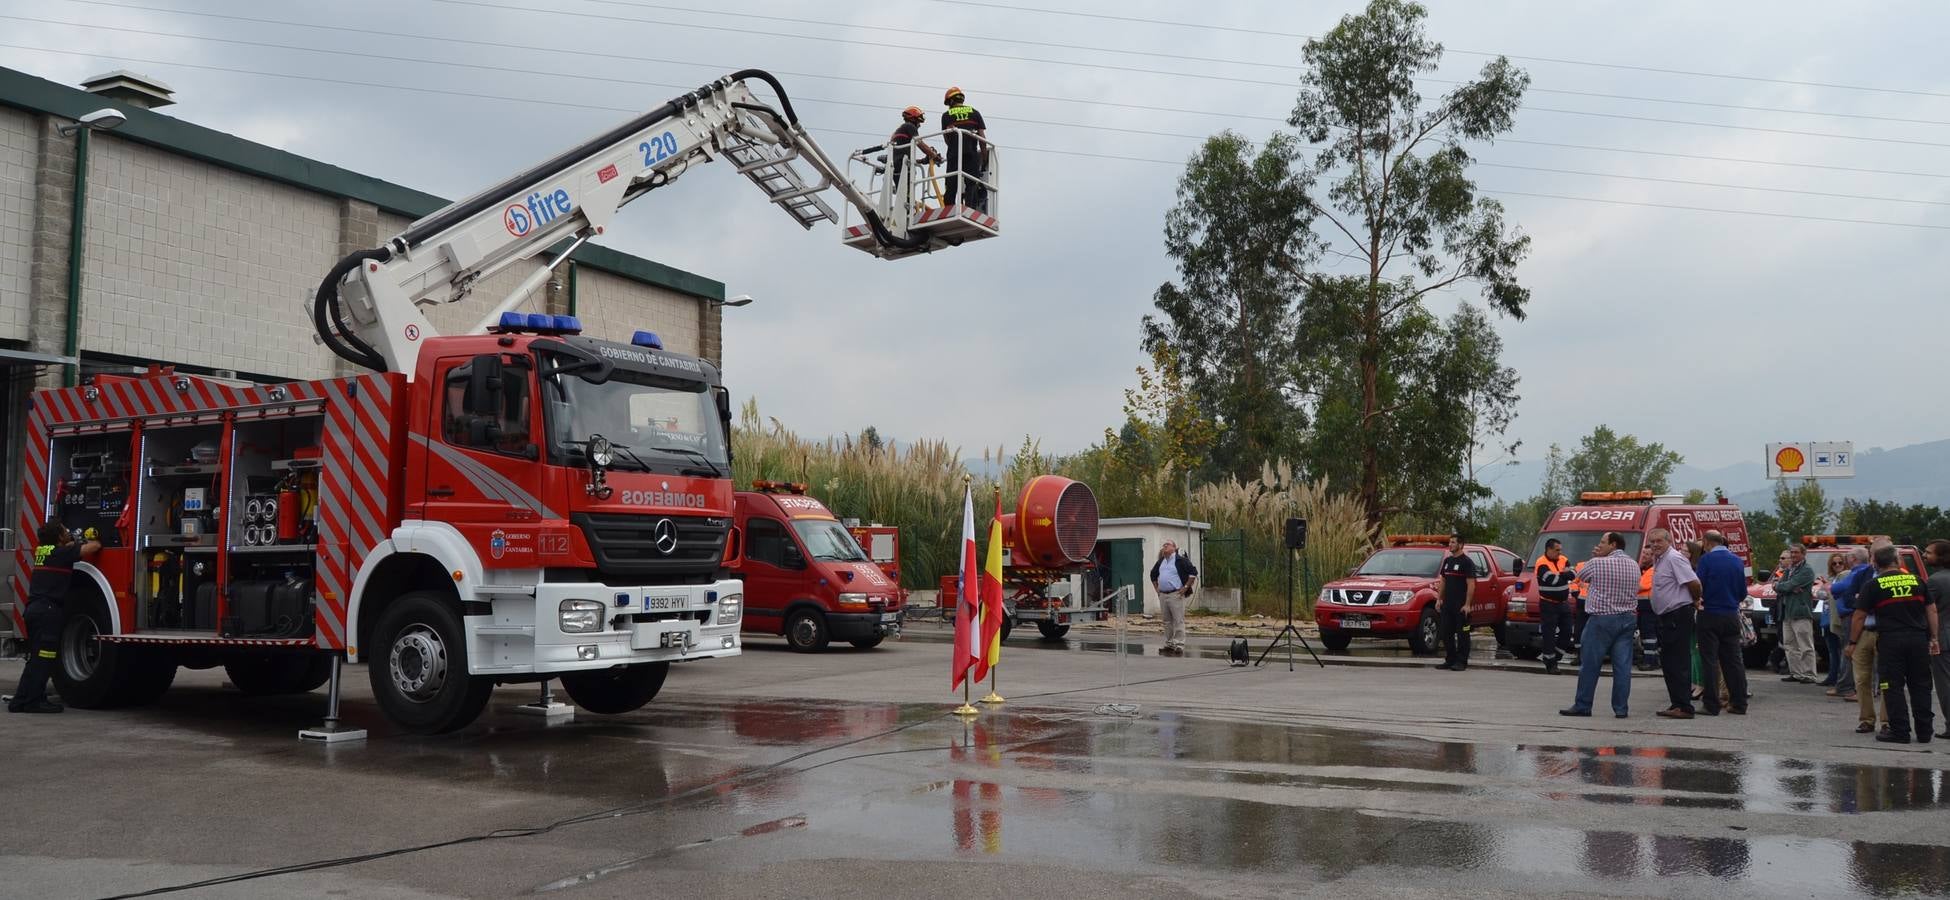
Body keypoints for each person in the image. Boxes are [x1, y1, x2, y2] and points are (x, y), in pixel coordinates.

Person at [1847, 543, 1940, 744]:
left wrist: (1852, 642)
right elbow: (1931, 610)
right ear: (1898, 561)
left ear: (1875, 564)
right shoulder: (1916, 580)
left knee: (1892, 686)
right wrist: (1934, 638)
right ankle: (1924, 731)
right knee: (1921, 685)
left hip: (1891, 640)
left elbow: (1859, 616)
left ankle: (1900, 731)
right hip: (1917, 639)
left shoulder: (1873, 585)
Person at [9, 521, 101, 714]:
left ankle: (20, 700)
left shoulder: (43, 551)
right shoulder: (62, 554)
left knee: (35, 657)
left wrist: (72, 543)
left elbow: (66, 548)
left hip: (34, 610)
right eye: (65, 530)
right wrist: (92, 536)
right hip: (48, 612)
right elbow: (95, 547)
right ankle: (35, 701)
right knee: (45, 658)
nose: (68, 531)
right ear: (59, 537)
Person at [1561, 531, 1641, 719]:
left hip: (1602, 619)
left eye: (1603, 542)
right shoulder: (1634, 565)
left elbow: (1580, 576)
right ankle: (1621, 709)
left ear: (1613, 545)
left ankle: (1583, 705)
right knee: (1622, 667)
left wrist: (1595, 557)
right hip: (1627, 618)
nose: (1600, 546)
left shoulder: (1597, 563)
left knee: (1590, 664)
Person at [1646, 528, 1702, 719]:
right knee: (1669, 662)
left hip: (1677, 615)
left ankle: (1684, 707)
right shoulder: (1660, 559)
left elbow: (1694, 583)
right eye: (1652, 542)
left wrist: (1694, 600)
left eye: (1659, 541)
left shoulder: (1674, 558)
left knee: (1678, 662)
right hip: (1666, 617)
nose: (1655, 545)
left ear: (1669, 541)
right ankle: (1677, 703)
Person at [1695, 530, 1749, 716]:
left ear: (1706, 542)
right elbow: (1743, 591)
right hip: (1731, 614)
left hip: (1710, 613)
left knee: (1709, 661)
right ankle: (1739, 702)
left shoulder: (1706, 560)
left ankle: (1711, 704)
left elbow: (1698, 585)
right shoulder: (1736, 561)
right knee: (1733, 661)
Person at [1828, 546, 1870, 703]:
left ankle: (1847, 686)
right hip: (1853, 615)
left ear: (1853, 559)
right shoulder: (1863, 572)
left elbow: (1841, 588)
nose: (1844, 561)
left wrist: (1832, 587)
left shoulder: (1857, 572)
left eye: (1846, 558)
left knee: (1850, 650)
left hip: (1852, 615)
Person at [1775, 544, 1819, 684]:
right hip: (1787, 612)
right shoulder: (1789, 570)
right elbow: (1779, 586)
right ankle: (1796, 672)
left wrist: (1787, 587)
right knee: (1789, 644)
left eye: (1796, 552)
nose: (1793, 555)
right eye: (1792, 552)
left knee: (1805, 645)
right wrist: (1786, 587)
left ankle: (1809, 674)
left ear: (1803, 554)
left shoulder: (1807, 570)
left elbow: (1787, 586)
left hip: (1800, 612)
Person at [939, 87, 988, 211]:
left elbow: (946, 140)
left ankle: (948, 211)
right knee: (971, 183)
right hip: (971, 154)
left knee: (951, 184)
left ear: (950, 101)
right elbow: (982, 137)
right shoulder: (975, 112)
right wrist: (985, 158)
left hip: (954, 155)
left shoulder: (946, 115)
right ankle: (970, 210)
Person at [1533, 538, 1577, 674]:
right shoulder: (1541, 563)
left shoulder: (1564, 559)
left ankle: (1555, 656)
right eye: (1557, 550)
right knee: (1549, 634)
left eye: (1560, 550)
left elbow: (1574, 574)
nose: (1560, 552)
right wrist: (1565, 575)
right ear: (1549, 550)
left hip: (1563, 603)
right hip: (1548, 604)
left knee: (1568, 631)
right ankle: (1551, 664)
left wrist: (1564, 575)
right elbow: (1554, 581)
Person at [1149, 540, 1197, 656]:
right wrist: (1157, 589)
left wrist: (1185, 587)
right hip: (1163, 594)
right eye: (1164, 545)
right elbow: (1153, 574)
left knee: (1178, 620)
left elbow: (1193, 573)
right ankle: (1169, 643)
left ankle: (1179, 644)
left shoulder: (1181, 560)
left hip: (1175, 594)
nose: (1164, 546)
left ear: (1174, 547)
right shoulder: (1161, 561)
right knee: (1167, 621)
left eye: (1168, 544)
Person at [1435, 535, 1474, 672]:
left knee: (1462, 634)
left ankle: (1461, 661)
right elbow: (1443, 581)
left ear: (1461, 544)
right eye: (1449, 542)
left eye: (1453, 542)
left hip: (1461, 606)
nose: (1450, 545)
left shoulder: (1467, 562)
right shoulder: (1447, 561)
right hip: (1448, 605)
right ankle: (1450, 659)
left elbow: (1471, 584)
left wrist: (1467, 604)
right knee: (1446, 632)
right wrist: (1439, 599)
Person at [1926, 539, 1950, 740]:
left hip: (1943, 638)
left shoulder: (1935, 581)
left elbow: (1927, 610)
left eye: (1929, 552)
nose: (1925, 555)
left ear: (1942, 556)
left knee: (1944, 684)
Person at [1817, 554, 1847, 687]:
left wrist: (1828, 590)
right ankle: (1832, 675)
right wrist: (1826, 589)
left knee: (1843, 650)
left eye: (1840, 563)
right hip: (1827, 617)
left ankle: (1842, 678)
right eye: (1834, 563)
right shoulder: (1830, 579)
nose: (1838, 565)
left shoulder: (1847, 578)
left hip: (1841, 618)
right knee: (1832, 650)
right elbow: (1820, 594)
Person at [1633, 548, 1660, 672]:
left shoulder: (1652, 570)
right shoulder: (1644, 569)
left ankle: (1651, 661)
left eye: (1648, 554)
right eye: (1643, 553)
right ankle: (1648, 658)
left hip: (1649, 607)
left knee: (1649, 635)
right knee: (1646, 634)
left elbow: (1641, 586)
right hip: (1643, 607)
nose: (1644, 556)